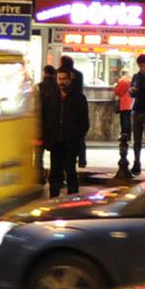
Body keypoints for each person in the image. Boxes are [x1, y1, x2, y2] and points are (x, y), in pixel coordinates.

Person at [44, 67, 90, 197]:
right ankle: (54, 199)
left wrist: (77, 138)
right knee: (54, 173)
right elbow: (46, 118)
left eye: (64, 79)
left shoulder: (79, 98)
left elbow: (84, 122)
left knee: (70, 172)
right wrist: (47, 137)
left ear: (70, 80)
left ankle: (72, 199)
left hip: (70, 142)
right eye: (59, 79)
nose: (61, 82)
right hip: (56, 142)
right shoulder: (51, 97)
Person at [35, 64, 58, 175]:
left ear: (44, 73)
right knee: (56, 154)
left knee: (39, 154)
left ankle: (39, 175)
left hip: (40, 125)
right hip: (54, 125)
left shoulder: (39, 87)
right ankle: (56, 176)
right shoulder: (58, 88)